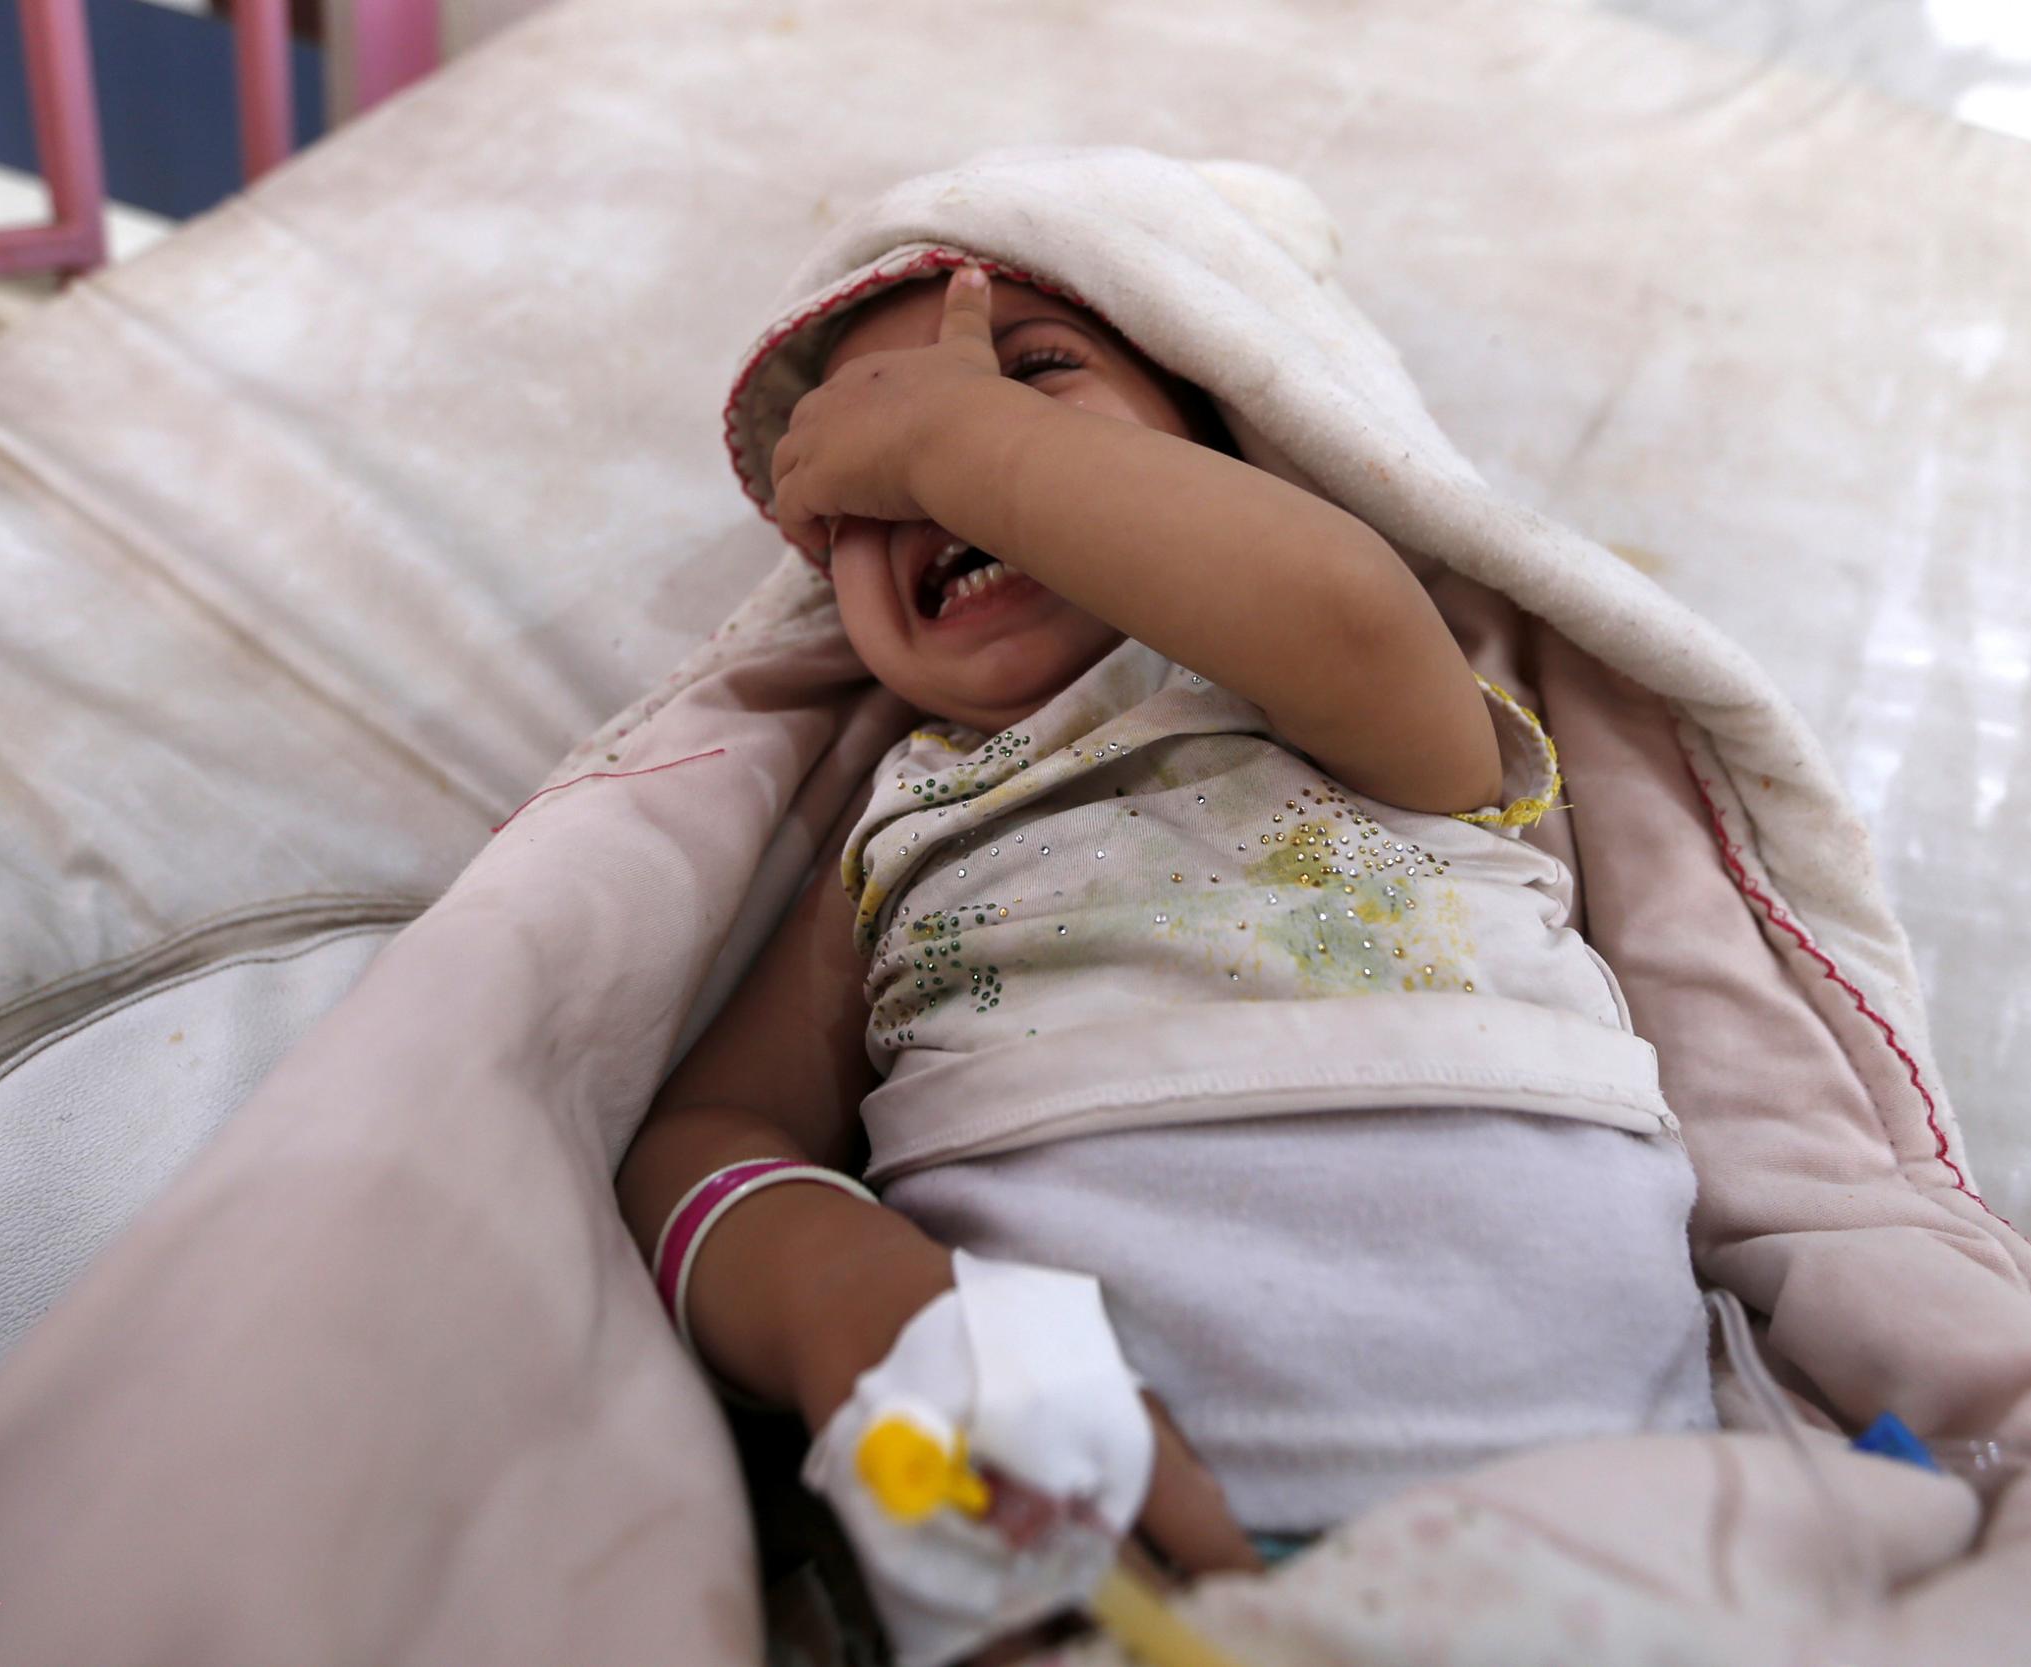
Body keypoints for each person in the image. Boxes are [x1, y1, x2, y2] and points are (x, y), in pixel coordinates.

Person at [616, 259, 1714, 1648]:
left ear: (1226, 449)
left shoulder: (1336, 685)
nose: (927, 454)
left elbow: (1335, 598)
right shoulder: (905, 824)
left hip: (1602, 1516)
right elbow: (702, 1136)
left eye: (1032, 371)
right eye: (861, 454)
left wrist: (956, 441)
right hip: (1098, 1531)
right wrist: (836, 1288)